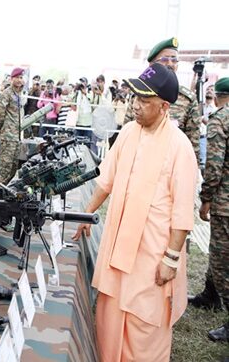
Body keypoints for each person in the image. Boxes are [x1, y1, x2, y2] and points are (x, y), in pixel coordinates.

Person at [73, 63, 198, 361]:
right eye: (134, 98)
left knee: (144, 331)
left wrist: (170, 259)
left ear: (164, 106)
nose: (136, 106)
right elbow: (106, 180)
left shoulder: (180, 148)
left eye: (144, 101)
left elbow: (182, 215)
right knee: (109, 321)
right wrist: (86, 216)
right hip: (118, 252)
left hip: (151, 261)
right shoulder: (128, 132)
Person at [123, 37, 200, 162]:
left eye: (174, 60)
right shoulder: (138, 95)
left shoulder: (188, 100)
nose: (170, 64)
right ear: (151, 65)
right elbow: (127, 134)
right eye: (164, 59)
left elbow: (193, 146)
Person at [198, 77, 229, 342]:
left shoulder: (220, 119)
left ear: (218, 97)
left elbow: (214, 165)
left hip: (225, 204)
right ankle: (210, 296)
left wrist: (206, 197)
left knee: (222, 263)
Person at [0, 67, 25, 185]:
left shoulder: (18, 94)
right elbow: (0, 113)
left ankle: (6, 189)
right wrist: (2, 129)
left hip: (16, 136)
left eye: (21, 78)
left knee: (14, 166)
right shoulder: (7, 93)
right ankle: (0, 190)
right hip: (8, 136)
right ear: (12, 79)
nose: (19, 80)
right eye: (17, 77)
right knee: (5, 167)